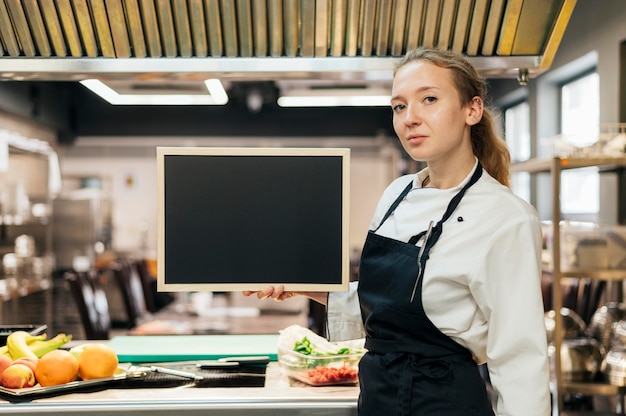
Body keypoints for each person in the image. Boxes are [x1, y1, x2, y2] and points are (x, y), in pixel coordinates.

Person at [244, 47, 550, 416]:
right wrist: (300, 285)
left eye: (429, 99)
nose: (410, 118)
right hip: (378, 397)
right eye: (399, 106)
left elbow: (520, 358)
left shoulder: (507, 217)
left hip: (443, 404)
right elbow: (383, 307)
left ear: (472, 109)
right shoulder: (397, 193)